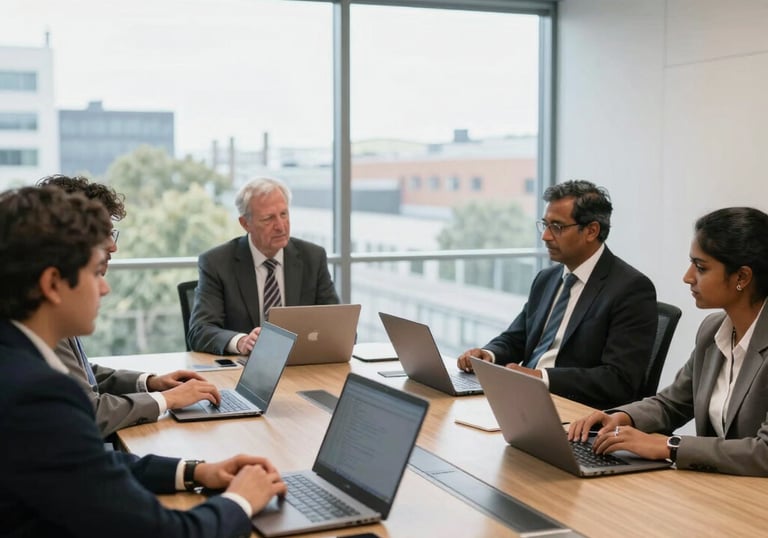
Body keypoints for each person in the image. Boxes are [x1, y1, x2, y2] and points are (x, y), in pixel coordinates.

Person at [0, 186, 286, 537]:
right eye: (94, 273)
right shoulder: (37, 395)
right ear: (53, 284)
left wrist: (195, 471)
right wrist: (242, 500)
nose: (104, 289)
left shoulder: (16, 357)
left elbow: (92, 465)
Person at [569, 207, 768, 476]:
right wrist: (621, 417)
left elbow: (764, 452)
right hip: (720, 489)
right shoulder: (713, 331)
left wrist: (669, 446)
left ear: (742, 277)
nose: (687, 277)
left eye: (700, 267)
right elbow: (672, 404)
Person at [37, 174, 221, 438]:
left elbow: (80, 377)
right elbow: (89, 410)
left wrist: (150, 383)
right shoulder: (41, 311)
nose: (113, 245)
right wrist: (166, 400)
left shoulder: (54, 299)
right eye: (104, 233)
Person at [457, 180, 657, 409]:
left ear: (592, 231)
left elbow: (618, 380)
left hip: (575, 410)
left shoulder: (630, 288)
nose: (546, 237)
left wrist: (541, 378)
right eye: (545, 225)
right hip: (522, 398)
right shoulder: (547, 279)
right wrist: (488, 354)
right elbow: (516, 338)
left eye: (557, 227)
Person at [188, 177, 340, 356]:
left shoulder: (313, 258)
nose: (281, 226)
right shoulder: (217, 263)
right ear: (245, 224)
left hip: (299, 365)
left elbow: (338, 327)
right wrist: (241, 341)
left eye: (284, 214)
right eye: (268, 219)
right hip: (245, 369)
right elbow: (199, 331)